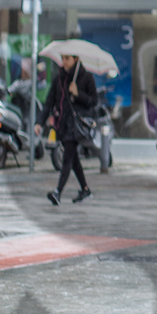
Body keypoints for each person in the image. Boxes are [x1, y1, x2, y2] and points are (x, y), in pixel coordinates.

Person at [36, 54, 96, 205]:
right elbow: (50, 101)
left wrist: (78, 94)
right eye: (62, 58)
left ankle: (58, 192)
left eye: (67, 58)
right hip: (63, 125)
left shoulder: (86, 77)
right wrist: (39, 122)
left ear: (76, 59)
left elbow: (93, 102)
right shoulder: (59, 78)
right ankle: (85, 190)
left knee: (67, 158)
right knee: (74, 159)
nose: (64, 62)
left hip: (77, 126)